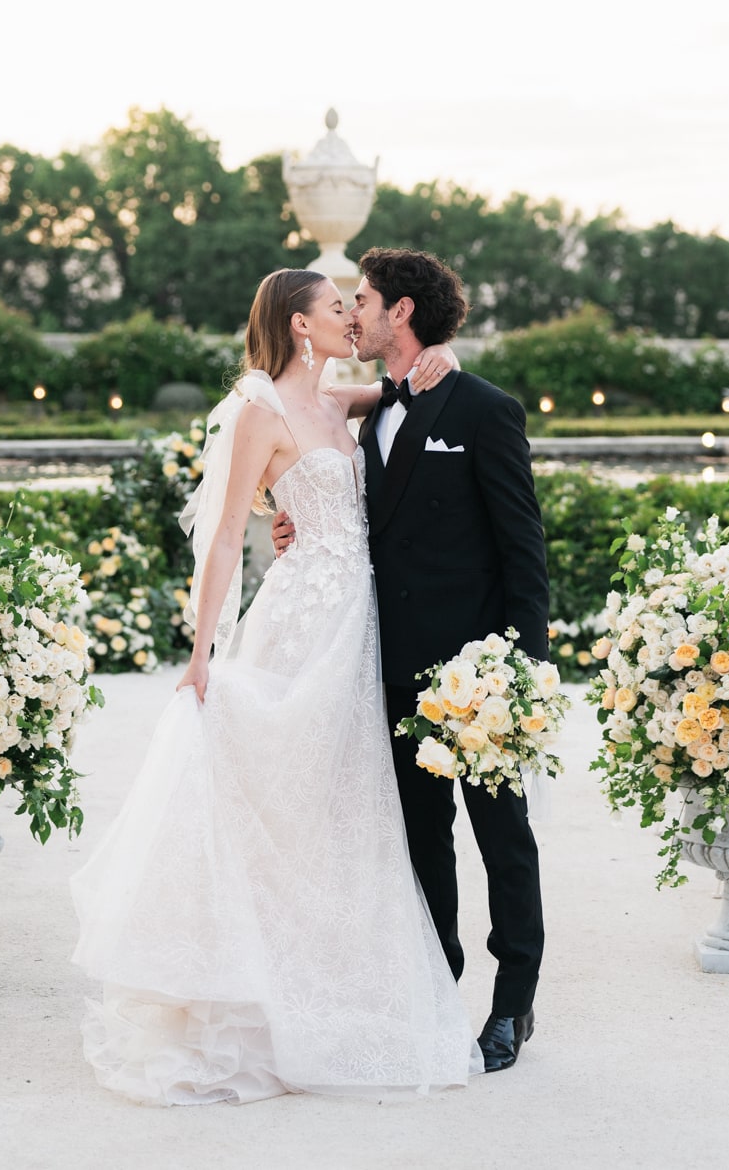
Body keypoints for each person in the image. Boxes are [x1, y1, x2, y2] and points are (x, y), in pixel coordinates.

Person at [70, 267, 481, 1105]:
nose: (348, 318)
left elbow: (408, 377)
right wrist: (201, 651)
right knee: (281, 792)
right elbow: (224, 536)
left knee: (342, 802)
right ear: (299, 326)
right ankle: (251, 990)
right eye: (337, 308)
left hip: (357, 621)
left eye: (352, 306)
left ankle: (335, 984)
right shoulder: (260, 410)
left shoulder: (340, 403)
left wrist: (441, 352)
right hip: (302, 620)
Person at [272, 248, 550, 1073]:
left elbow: (523, 548)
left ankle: (513, 1005)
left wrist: (522, 666)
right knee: (421, 843)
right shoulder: (374, 405)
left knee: (504, 840)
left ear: (401, 312)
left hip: (477, 675)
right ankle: (438, 988)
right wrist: (285, 523)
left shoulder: (483, 411)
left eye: (361, 299)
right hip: (388, 670)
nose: (351, 312)